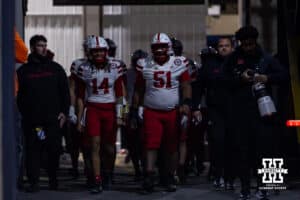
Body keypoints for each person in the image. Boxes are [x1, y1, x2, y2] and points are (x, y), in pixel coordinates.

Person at [223, 26, 288, 200]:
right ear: (240, 43)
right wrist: (240, 79)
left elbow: (284, 75)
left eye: (251, 44)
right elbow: (222, 81)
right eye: (245, 44)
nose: (248, 48)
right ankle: (245, 189)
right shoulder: (232, 59)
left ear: (255, 41)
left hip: (264, 111)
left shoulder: (266, 58)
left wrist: (267, 78)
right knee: (243, 151)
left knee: (267, 149)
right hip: (240, 112)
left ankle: (268, 186)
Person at [134, 33, 192, 192]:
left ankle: (170, 176)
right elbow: (139, 88)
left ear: (169, 48)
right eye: (156, 47)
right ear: (152, 49)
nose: (159, 50)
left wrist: (186, 103)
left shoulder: (178, 62)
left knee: (171, 147)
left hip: (172, 111)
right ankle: (149, 175)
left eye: (162, 47)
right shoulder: (144, 63)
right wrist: (135, 108)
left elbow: (186, 85)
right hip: (151, 111)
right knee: (151, 145)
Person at [17, 35, 70, 192]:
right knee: (35, 149)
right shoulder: (24, 72)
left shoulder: (55, 69)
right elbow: (19, 97)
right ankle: (34, 182)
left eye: (45, 45)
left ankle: (53, 179)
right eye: (40, 45)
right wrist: (26, 115)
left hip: (53, 120)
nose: (44, 48)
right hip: (35, 123)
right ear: (33, 48)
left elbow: (65, 93)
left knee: (53, 149)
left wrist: (65, 113)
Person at [76, 36, 125, 194]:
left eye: (101, 51)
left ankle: (108, 173)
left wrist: (121, 115)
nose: (98, 54)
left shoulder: (115, 66)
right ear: (90, 52)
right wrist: (79, 118)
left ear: (106, 51)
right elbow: (80, 96)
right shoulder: (83, 68)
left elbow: (120, 94)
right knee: (94, 145)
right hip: (93, 109)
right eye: (95, 51)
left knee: (109, 148)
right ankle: (97, 179)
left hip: (109, 109)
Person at [196, 37, 235, 190]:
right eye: (221, 46)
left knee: (233, 145)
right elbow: (199, 87)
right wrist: (195, 107)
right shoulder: (209, 66)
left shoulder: (238, 63)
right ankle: (218, 175)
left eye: (227, 46)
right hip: (215, 111)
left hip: (235, 111)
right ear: (217, 48)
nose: (224, 48)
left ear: (232, 47)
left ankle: (230, 177)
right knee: (218, 143)